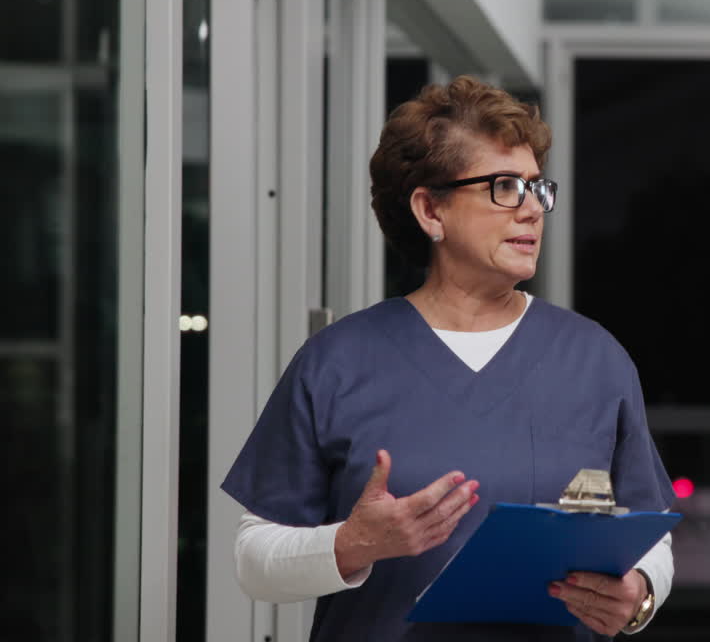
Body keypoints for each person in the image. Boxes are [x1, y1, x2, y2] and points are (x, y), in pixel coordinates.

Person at [222, 76, 675, 641]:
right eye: (506, 186)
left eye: (537, 187)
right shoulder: (337, 361)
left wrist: (638, 598)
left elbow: (649, 537)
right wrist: (354, 542)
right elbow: (253, 560)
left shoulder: (594, 358)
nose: (532, 210)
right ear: (430, 210)